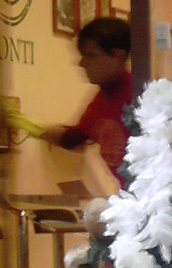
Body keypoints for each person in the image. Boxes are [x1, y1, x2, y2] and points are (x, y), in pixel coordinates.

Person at [42, 18, 133, 186]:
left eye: (90, 55)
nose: (82, 63)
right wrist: (30, 127)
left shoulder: (138, 95)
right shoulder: (101, 99)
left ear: (118, 56)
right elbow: (73, 139)